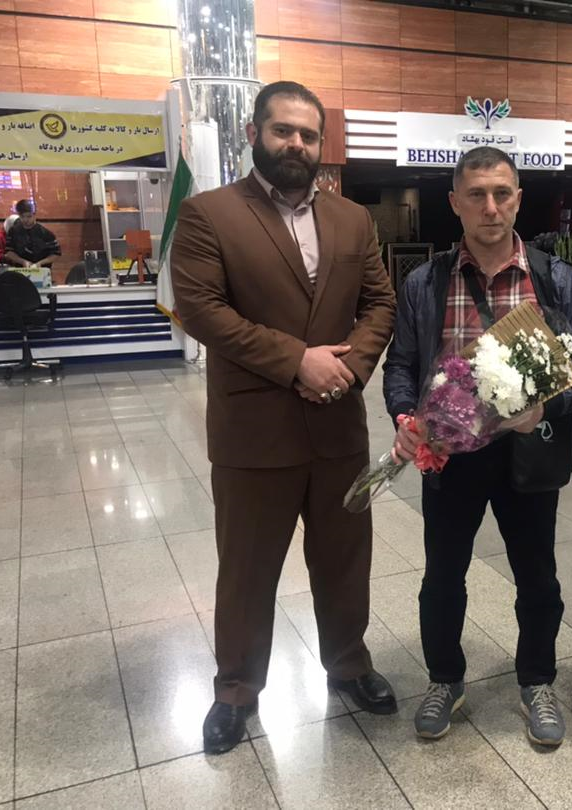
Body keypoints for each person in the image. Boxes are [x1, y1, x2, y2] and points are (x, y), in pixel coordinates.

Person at [171, 80, 398, 755]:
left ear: (321, 143)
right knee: (247, 569)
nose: (295, 144)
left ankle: (349, 664)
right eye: (282, 130)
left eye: (308, 134)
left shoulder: (353, 219)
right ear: (254, 134)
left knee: (345, 559)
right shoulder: (209, 214)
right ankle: (236, 690)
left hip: (338, 427)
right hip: (253, 433)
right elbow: (202, 309)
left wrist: (349, 367)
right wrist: (297, 360)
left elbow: (380, 303)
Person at [383, 146, 572, 747]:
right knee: (442, 577)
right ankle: (444, 679)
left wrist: (547, 408)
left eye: (502, 193)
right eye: (476, 195)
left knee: (538, 578)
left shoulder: (554, 278)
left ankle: (537, 680)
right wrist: (405, 416)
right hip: (449, 458)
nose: (490, 207)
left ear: (518, 200)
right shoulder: (425, 282)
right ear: (454, 203)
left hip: (529, 454)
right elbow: (401, 363)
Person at [5, 200, 61, 269]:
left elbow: (56, 253)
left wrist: (40, 263)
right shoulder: (13, 231)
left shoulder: (45, 233)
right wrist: (23, 261)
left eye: (29, 216)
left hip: (42, 270)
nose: (25, 220)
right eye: (22, 216)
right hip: (20, 269)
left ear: (34, 215)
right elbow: (9, 252)